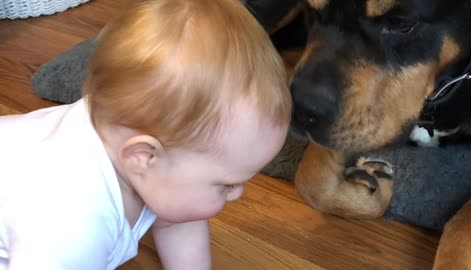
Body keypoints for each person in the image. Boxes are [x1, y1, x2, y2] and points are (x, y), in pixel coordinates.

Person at [0, 0, 292, 269]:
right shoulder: (70, 227)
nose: (238, 193)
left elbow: (178, 217)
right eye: (226, 185)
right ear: (143, 156)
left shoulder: (142, 149)